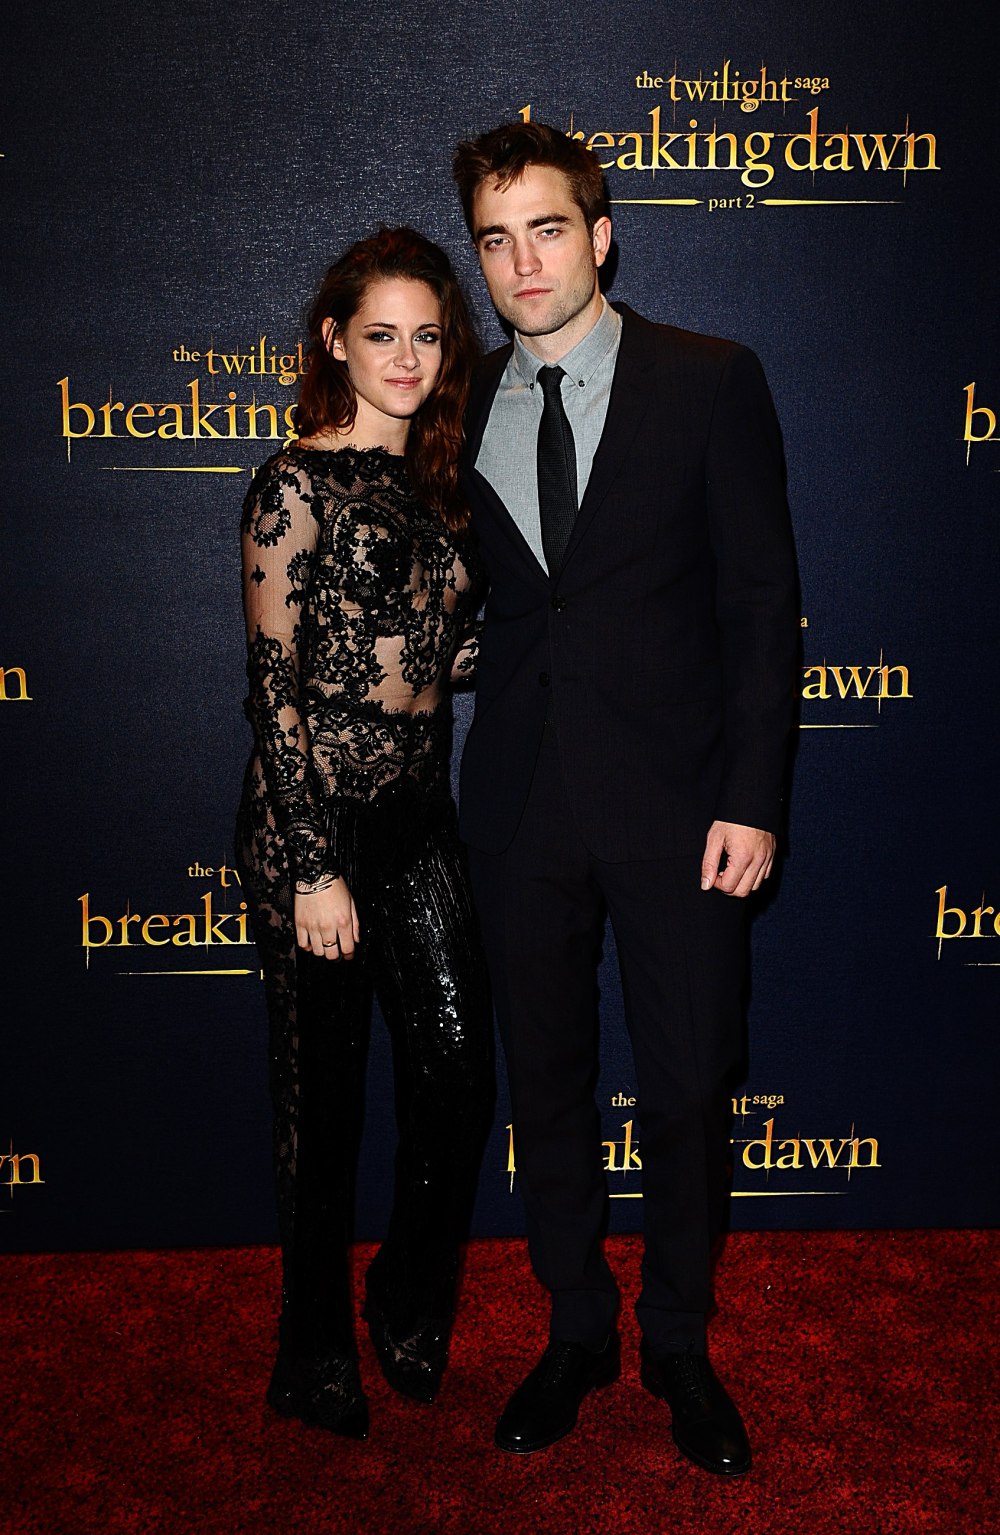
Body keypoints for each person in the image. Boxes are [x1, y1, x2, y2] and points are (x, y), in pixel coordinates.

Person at [451, 122, 799, 1474]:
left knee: (687, 1082)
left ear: (599, 236)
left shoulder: (709, 379)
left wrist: (752, 797)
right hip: (519, 803)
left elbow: (761, 605)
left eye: (547, 229)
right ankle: (578, 1327)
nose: (523, 263)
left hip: (681, 804)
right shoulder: (459, 404)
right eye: (496, 239)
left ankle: (678, 1342)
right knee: (542, 1081)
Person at [235, 227, 493, 1441]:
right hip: (316, 822)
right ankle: (311, 1350)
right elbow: (271, 686)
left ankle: (402, 1293)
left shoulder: (444, 486)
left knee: (456, 1072)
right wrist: (312, 865)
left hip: (419, 818)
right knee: (322, 1106)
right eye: (380, 334)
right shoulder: (294, 484)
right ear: (334, 340)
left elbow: (440, 655)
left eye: (426, 336)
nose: (404, 358)